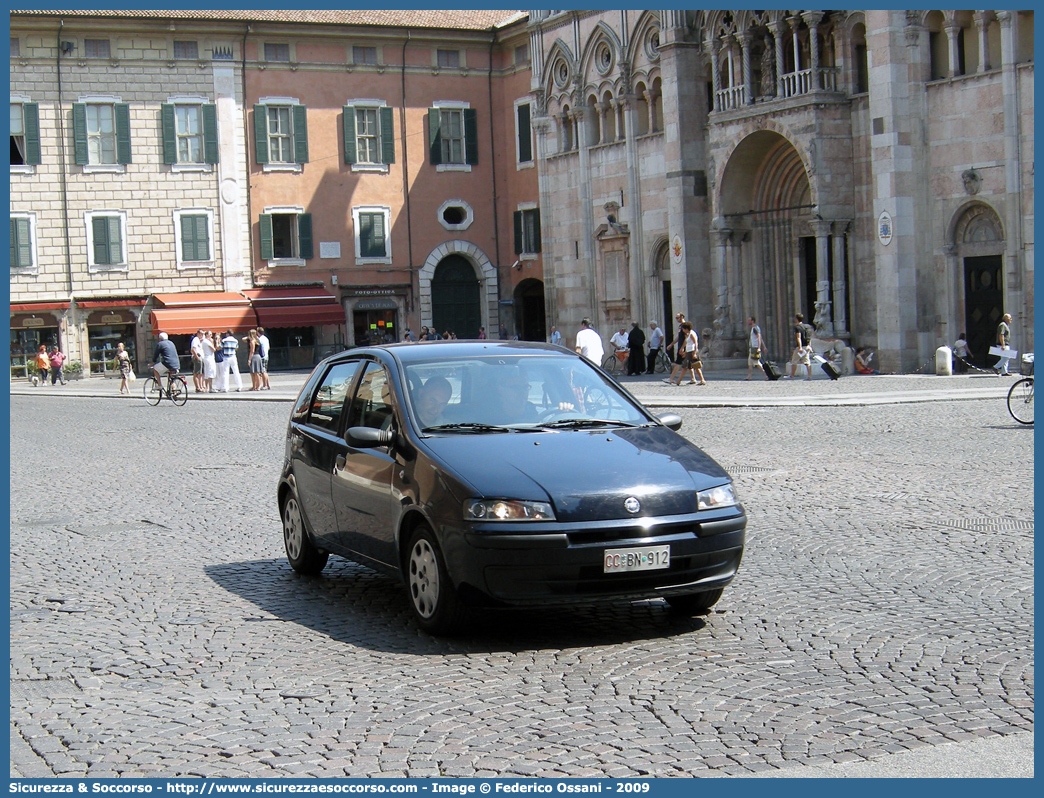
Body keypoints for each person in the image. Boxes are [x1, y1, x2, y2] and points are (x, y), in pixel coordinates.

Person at [667, 321, 706, 386]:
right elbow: (686, 342)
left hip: (692, 351)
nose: (682, 330)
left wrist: (694, 353)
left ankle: (702, 380)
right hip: (688, 351)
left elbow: (695, 343)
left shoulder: (692, 334)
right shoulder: (688, 334)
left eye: (683, 329)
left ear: (686, 329)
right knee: (685, 367)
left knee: (695, 366)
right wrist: (682, 349)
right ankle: (679, 381)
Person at [787, 312, 813, 380]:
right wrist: (810, 346)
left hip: (801, 347)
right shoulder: (807, 326)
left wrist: (800, 348)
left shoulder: (797, 327)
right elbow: (809, 337)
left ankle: (791, 375)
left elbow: (798, 337)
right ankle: (809, 376)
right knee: (807, 362)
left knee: (794, 361)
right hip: (807, 346)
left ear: (796, 319)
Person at [746, 316, 767, 381]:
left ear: (752, 321)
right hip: (752, 348)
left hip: (755, 348)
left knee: (756, 363)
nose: (748, 322)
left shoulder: (755, 328)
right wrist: (764, 347)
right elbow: (760, 338)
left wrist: (759, 348)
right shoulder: (753, 328)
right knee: (750, 362)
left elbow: (759, 337)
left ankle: (765, 375)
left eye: (749, 320)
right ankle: (749, 376)